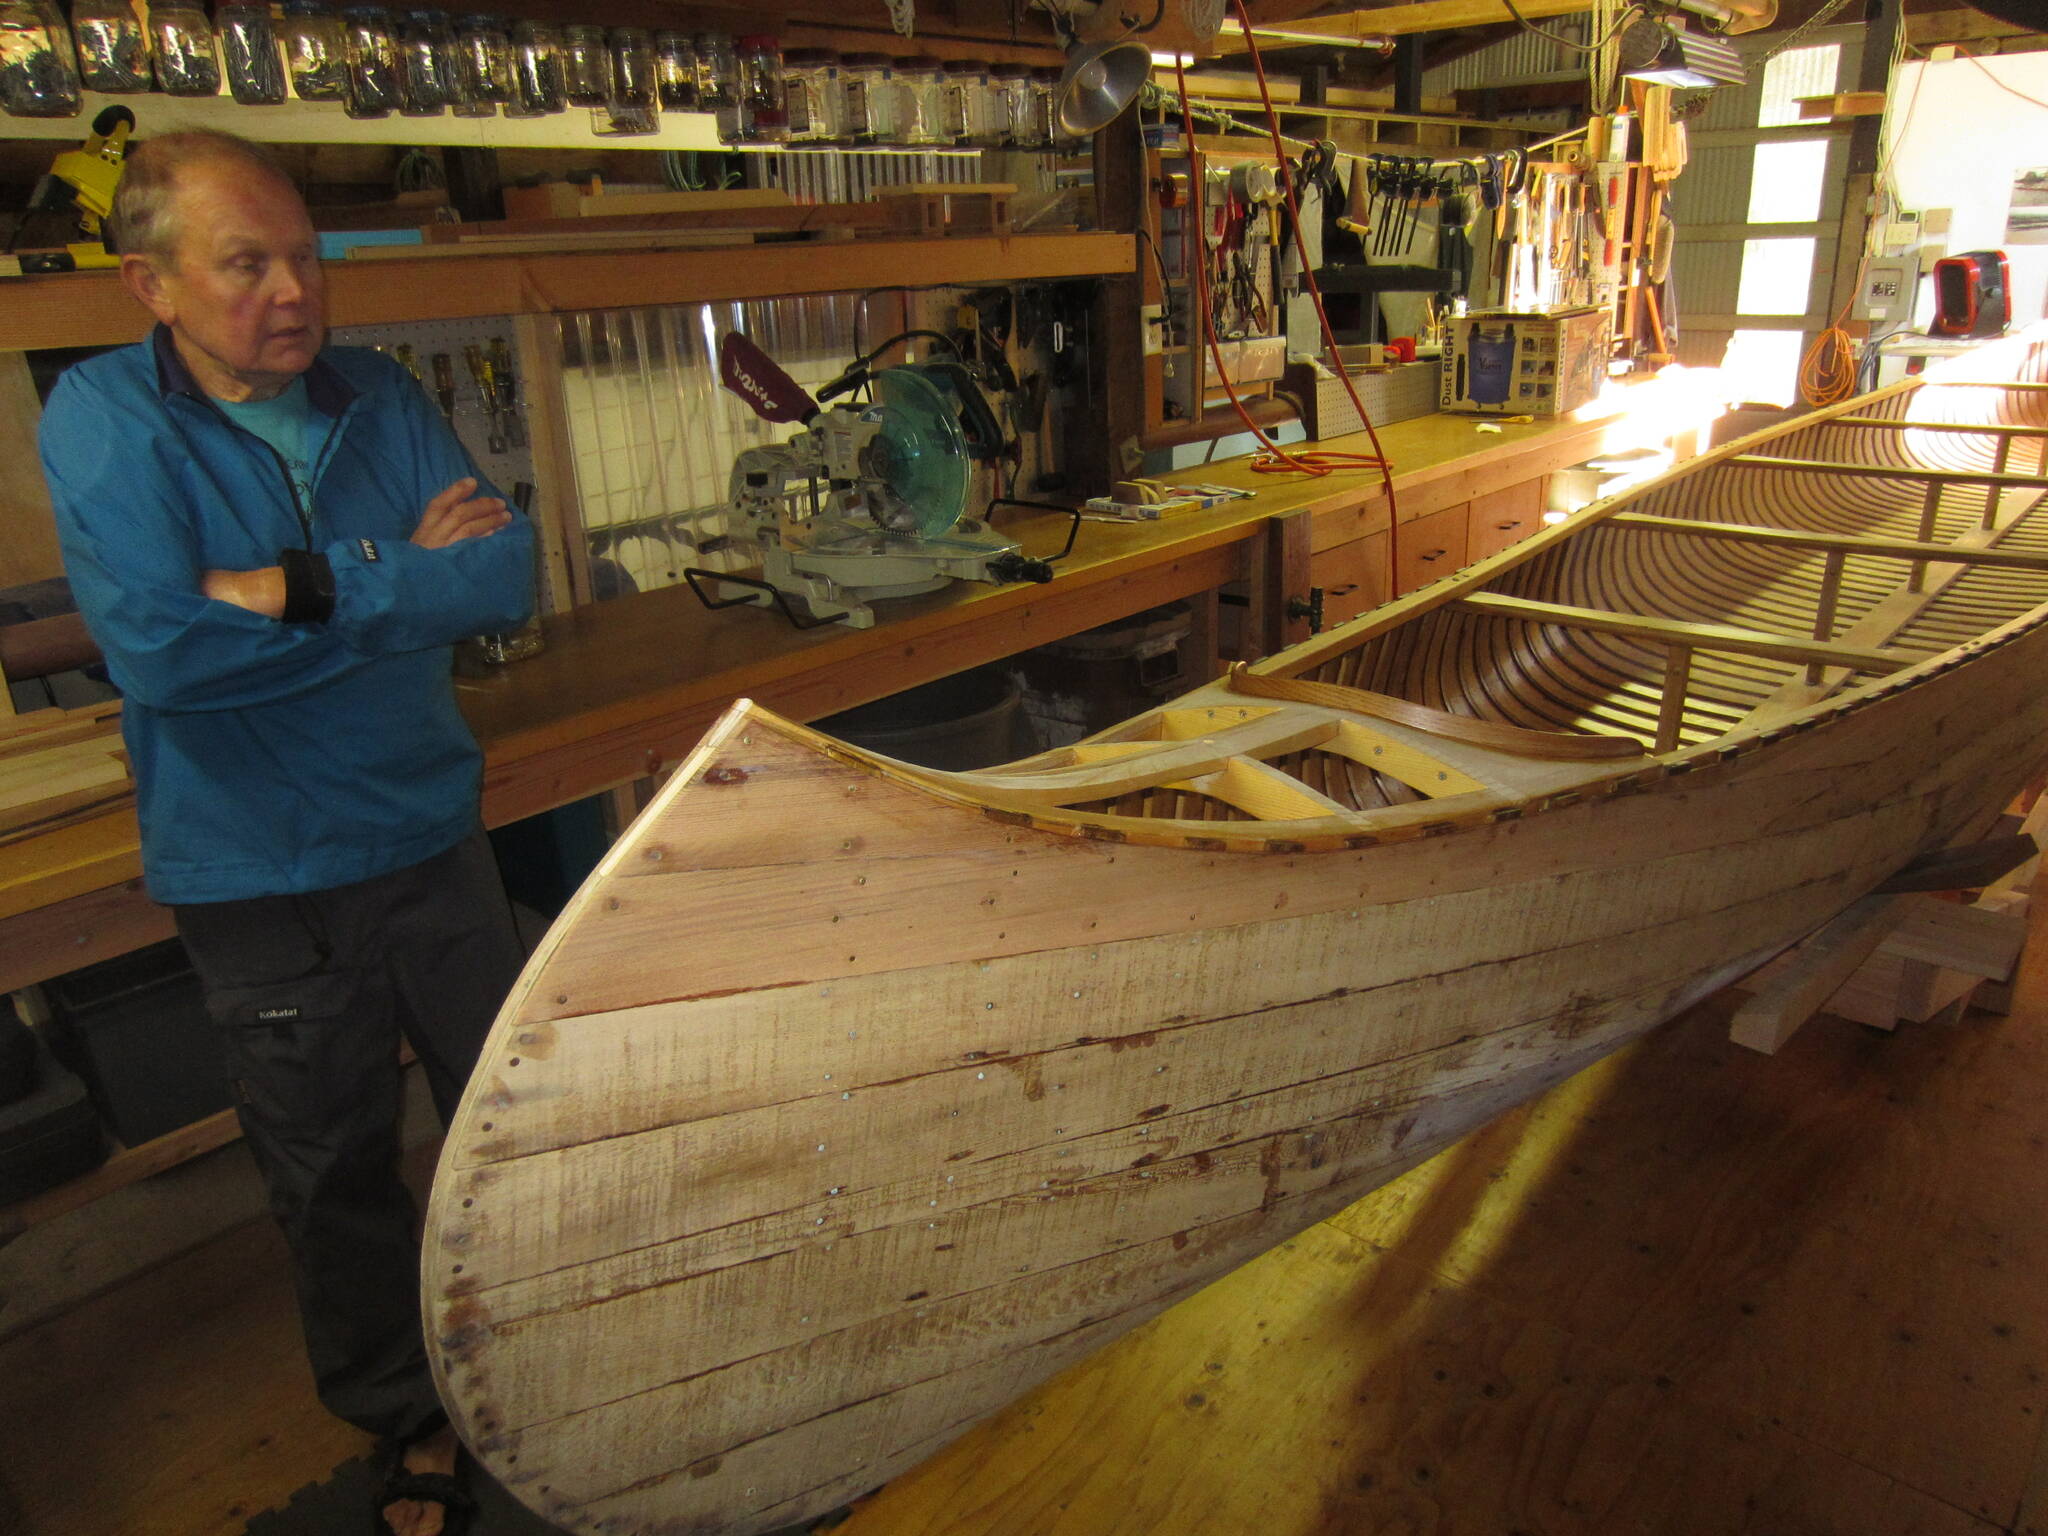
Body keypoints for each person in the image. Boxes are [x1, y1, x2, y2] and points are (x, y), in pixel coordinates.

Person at [38, 130, 534, 1536]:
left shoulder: (380, 394)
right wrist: (394, 584)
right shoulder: (100, 423)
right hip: (260, 873)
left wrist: (296, 588)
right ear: (151, 282)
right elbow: (161, 652)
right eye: (245, 263)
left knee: (517, 1120)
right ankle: (406, 1420)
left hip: (431, 833)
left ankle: (553, 1351)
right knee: (332, 1173)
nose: (291, 290)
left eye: (305, 256)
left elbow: (500, 576)